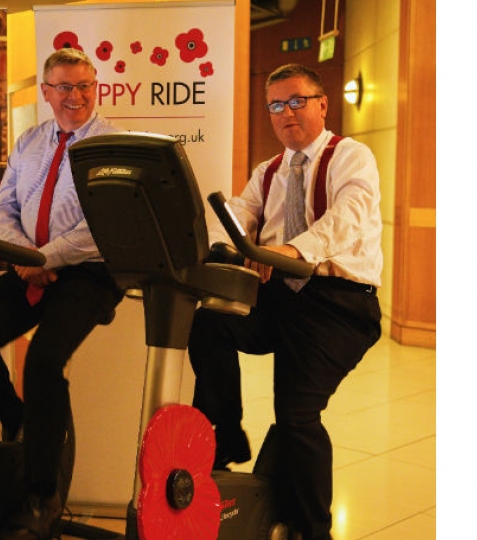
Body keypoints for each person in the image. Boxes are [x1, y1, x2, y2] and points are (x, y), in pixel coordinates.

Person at [188, 63, 383, 540]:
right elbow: (238, 213)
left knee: (296, 415)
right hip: (280, 298)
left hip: (339, 302)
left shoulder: (350, 156)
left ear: (322, 104)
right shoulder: (269, 171)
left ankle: (315, 531)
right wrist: (219, 244)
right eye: (275, 105)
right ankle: (226, 435)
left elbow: (348, 216)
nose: (286, 112)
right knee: (209, 321)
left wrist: (293, 251)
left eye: (297, 100)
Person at [0, 48, 123, 540]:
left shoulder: (112, 145)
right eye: (65, 87)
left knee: (44, 362)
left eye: (85, 85)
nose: (76, 96)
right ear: (47, 92)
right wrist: (25, 257)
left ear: (96, 87)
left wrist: (44, 259)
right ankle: (19, 422)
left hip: (88, 273)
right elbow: (3, 208)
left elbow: (103, 224)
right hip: (28, 266)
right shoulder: (29, 141)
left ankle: (43, 498)